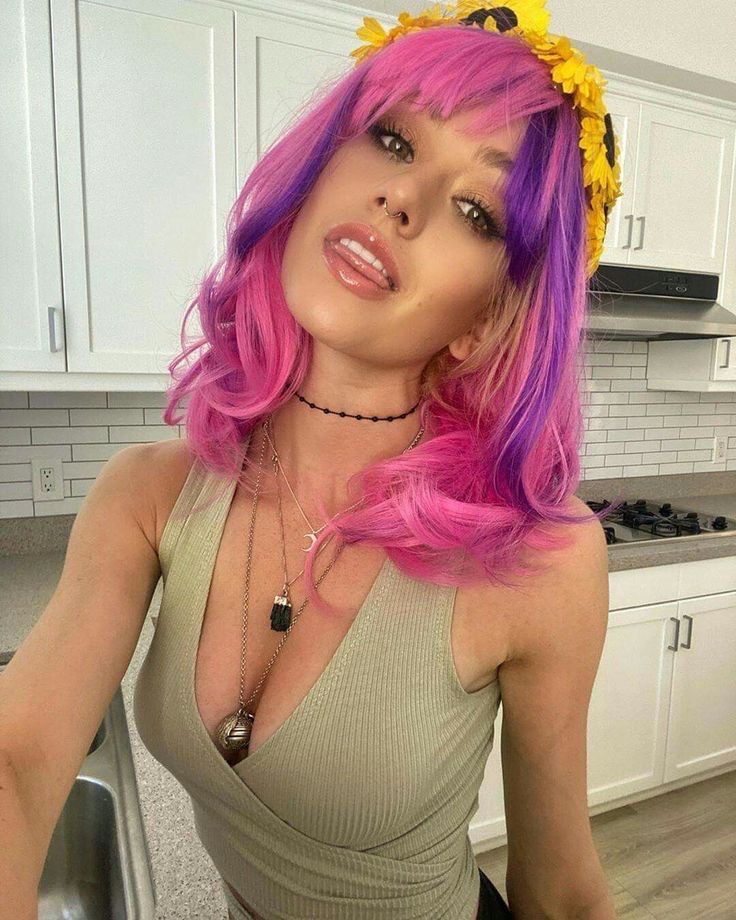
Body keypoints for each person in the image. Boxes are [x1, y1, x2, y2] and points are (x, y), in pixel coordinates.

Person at [0, 1, 625, 917]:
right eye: (393, 140)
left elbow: (562, 893)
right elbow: (17, 762)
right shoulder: (146, 496)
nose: (401, 200)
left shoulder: (543, 563)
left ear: (487, 319)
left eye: (474, 211)